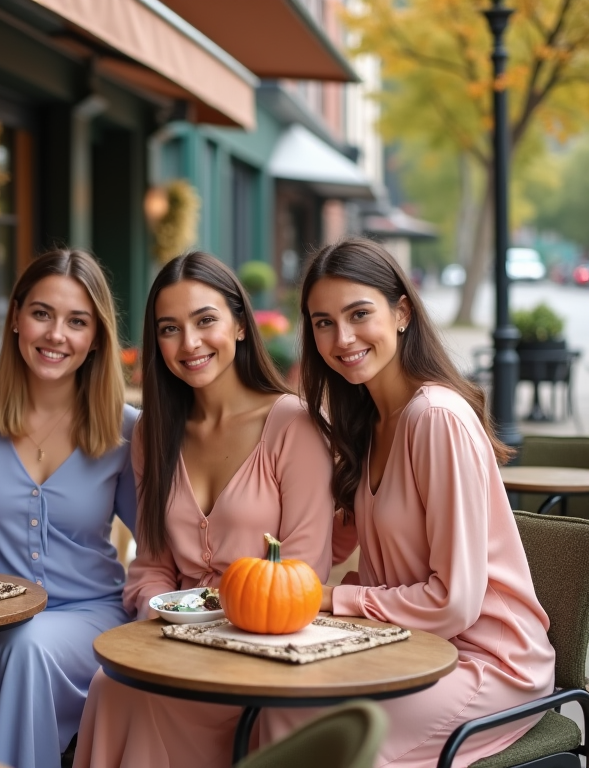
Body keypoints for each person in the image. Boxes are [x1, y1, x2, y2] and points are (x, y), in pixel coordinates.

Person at [261, 237, 555, 765]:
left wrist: (331, 600)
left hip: (487, 664)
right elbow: (323, 540)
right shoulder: (367, 422)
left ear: (401, 312)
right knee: (274, 703)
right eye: (322, 322)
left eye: (358, 314)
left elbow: (455, 602)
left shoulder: (435, 418)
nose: (341, 337)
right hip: (404, 648)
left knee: (310, 723)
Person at [74, 251, 335, 768]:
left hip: (266, 651)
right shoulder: (153, 431)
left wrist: (219, 628)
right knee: (113, 684)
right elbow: (151, 566)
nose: (189, 343)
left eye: (205, 320)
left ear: (240, 325)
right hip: (178, 642)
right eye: (169, 329)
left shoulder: (294, 426)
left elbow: (305, 572)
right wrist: (160, 611)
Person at [0, 248, 138, 768]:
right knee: (20, 645)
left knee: (28, 649)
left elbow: (165, 543)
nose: (57, 335)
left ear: (96, 336)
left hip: (90, 618)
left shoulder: (125, 431)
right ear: (16, 318)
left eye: (77, 321)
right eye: (42, 314)